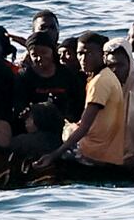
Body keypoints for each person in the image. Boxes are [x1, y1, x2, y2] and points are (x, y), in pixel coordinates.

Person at [56, 38, 134, 172]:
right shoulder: (108, 85)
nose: (115, 70)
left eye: (120, 65)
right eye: (111, 66)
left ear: (130, 64)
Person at [14, 31, 85, 161]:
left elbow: (79, 102)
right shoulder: (24, 76)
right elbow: (19, 103)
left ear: (53, 52)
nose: (39, 58)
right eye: (34, 55)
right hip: (34, 127)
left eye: (44, 53)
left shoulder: (67, 75)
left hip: (66, 126)